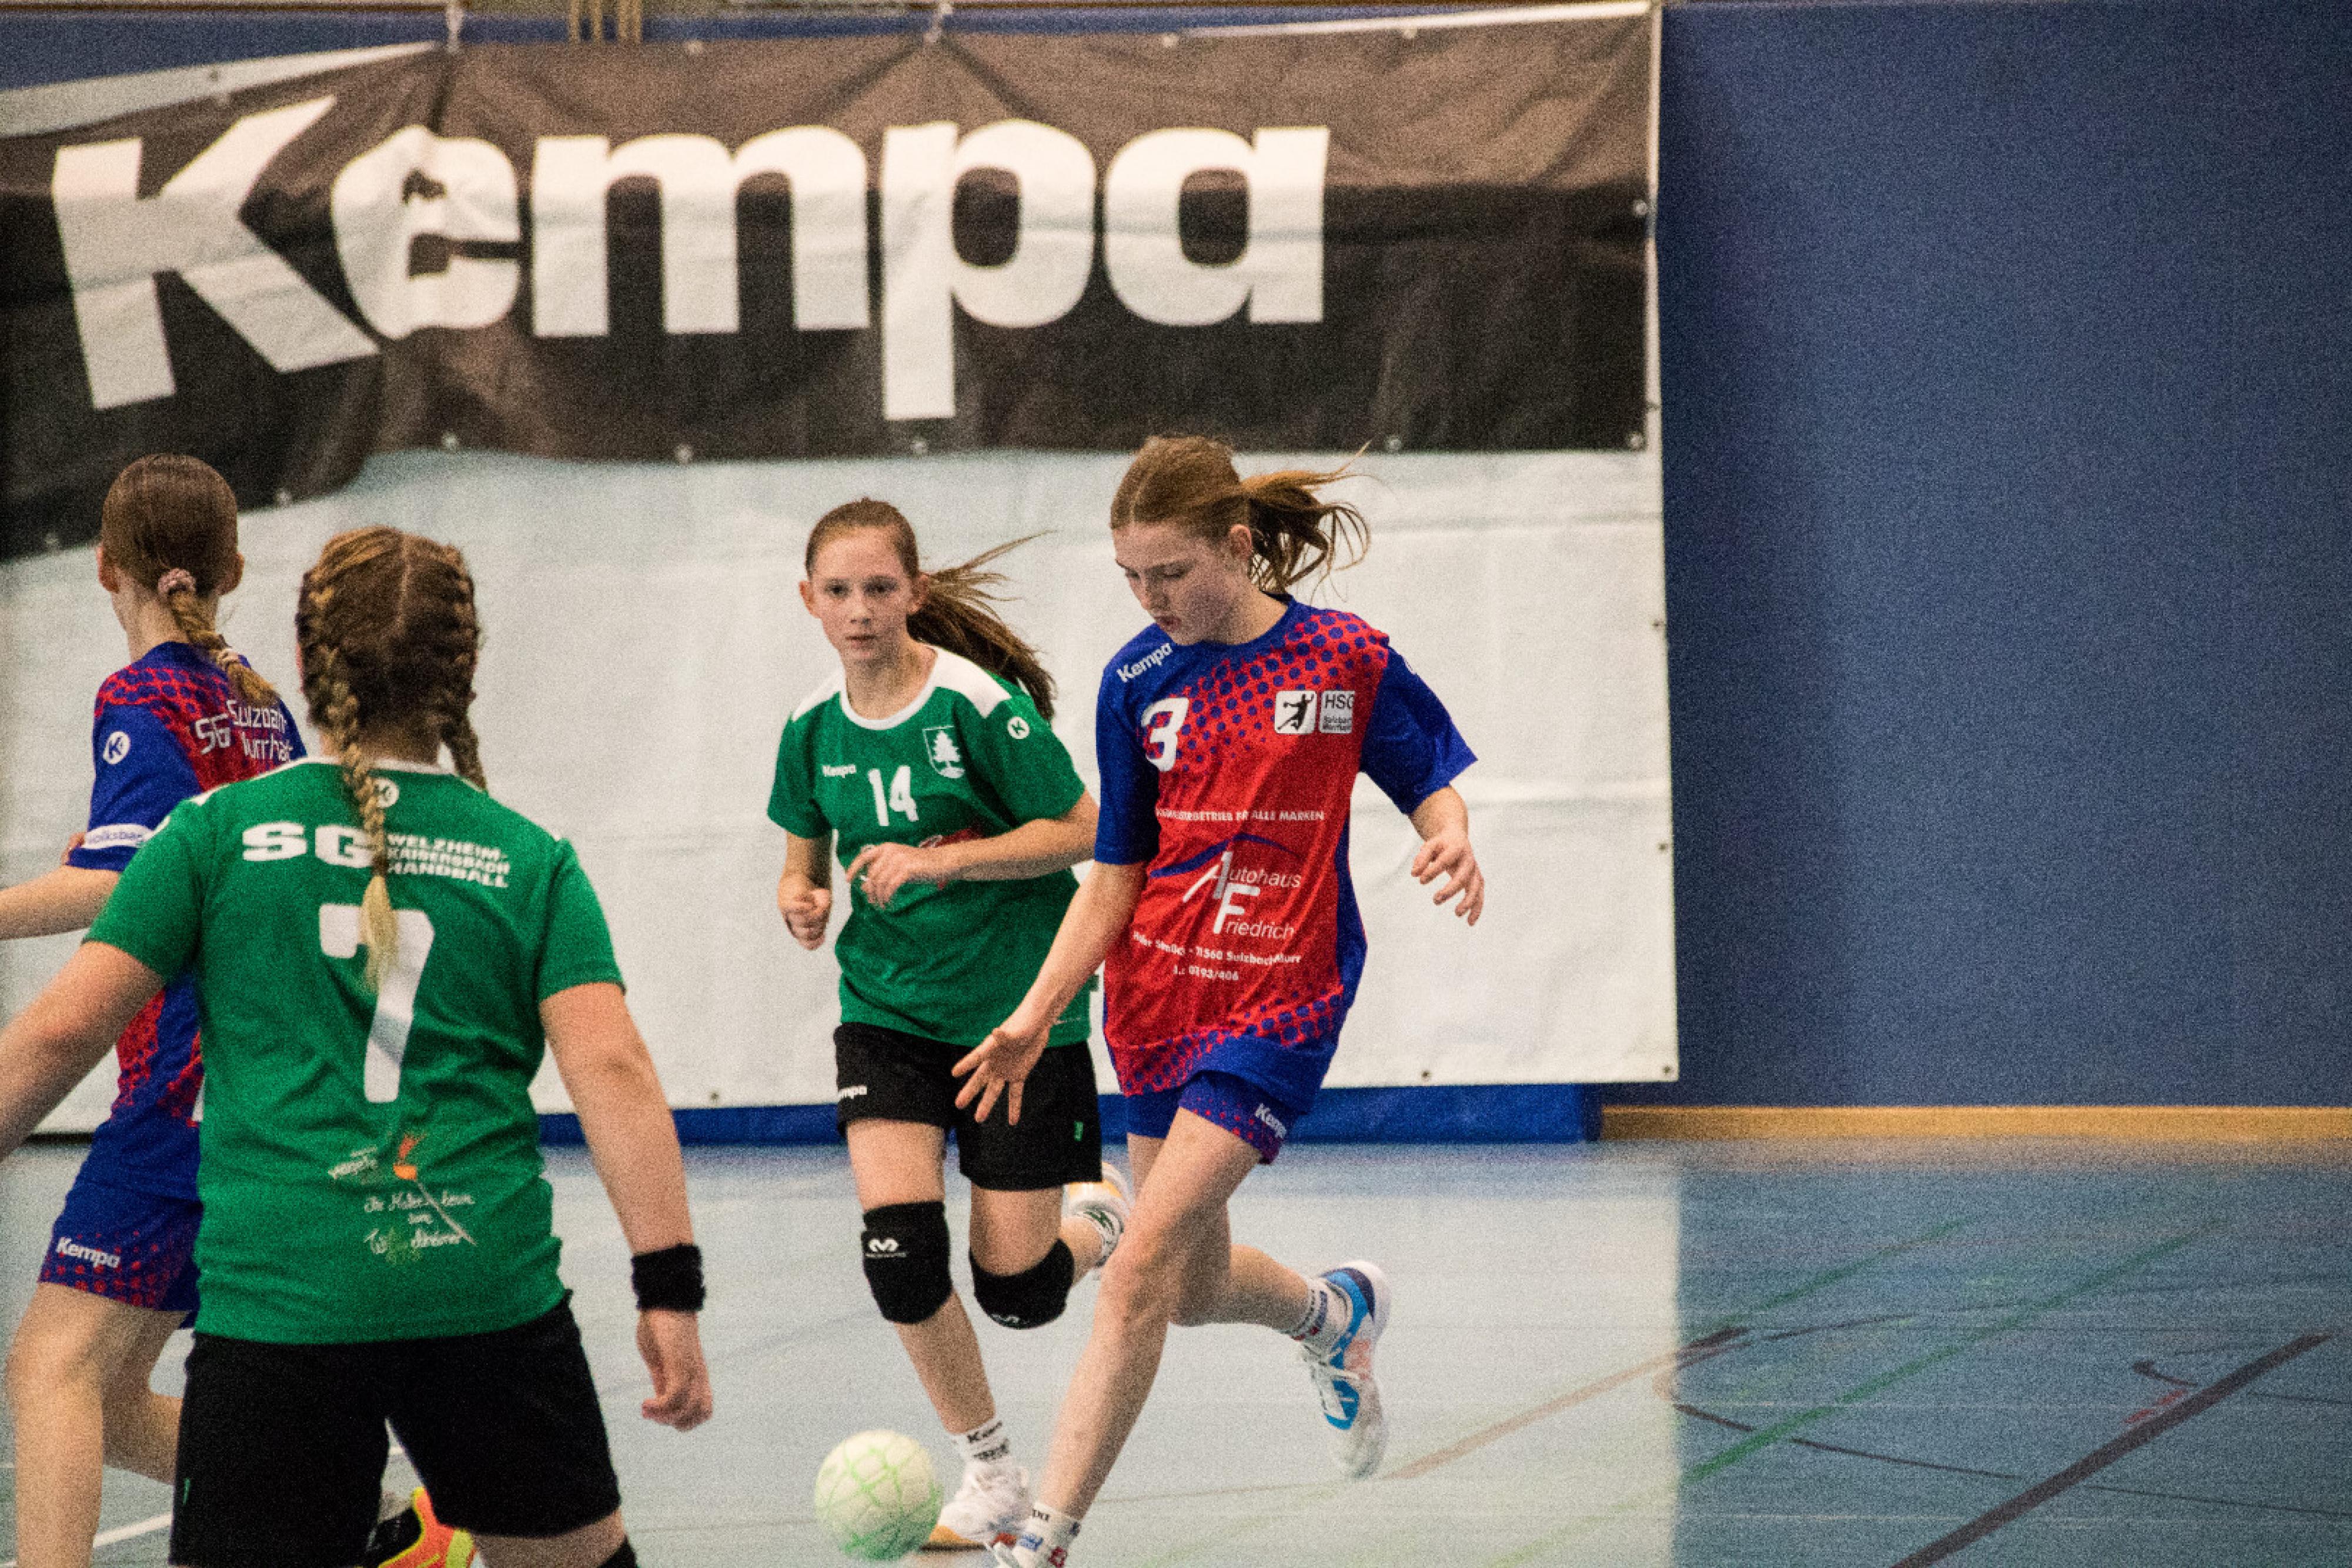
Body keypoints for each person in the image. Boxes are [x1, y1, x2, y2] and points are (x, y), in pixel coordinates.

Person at [0, 526, 713, 1568]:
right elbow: (614, 1072)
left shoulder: (211, 834)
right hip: (484, 1295)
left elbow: (60, 1032)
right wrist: (669, 1291)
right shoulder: (530, 860)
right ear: (462, 673)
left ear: (303, 661)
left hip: (280, 1309)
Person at [954, 437, 1486, 1568]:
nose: (1151, 598)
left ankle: (1043, 1542)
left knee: (1138, 1269)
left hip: (1281, 997)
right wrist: (1037, 1011)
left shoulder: (1343, 658)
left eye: (1171, 573)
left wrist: (1451, 835)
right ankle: (1332, 1316)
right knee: (1191, 1287)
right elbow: (1115, 875)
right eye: (1131, 578)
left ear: (1238, 548)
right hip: (1157, 996)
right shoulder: (1135, 682)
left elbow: (1427, 779)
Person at [0, 457, 463, 1568]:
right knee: (112, 1393)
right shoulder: (257, 706)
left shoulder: (141, 696)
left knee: (52, 1370)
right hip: (265, 1081)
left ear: (104, 568)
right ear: (234, 569)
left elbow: (129, 880)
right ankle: (378, 1524)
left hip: (184, 1090)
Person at [769, 500, 1134, 1551]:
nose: (860, 609)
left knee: (1019, 1294)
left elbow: (1086, 829)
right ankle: (994, 1475)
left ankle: (1099, 1221)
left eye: (880, 588)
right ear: (809, 601)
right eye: (839, 591)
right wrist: (802, 899)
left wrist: (947, 861)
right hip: (886, 1014)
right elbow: (802, 860)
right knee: (899, 1255)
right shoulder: (810, 727)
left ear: (915, 594)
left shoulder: (975, 704)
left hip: (1013, 1019)